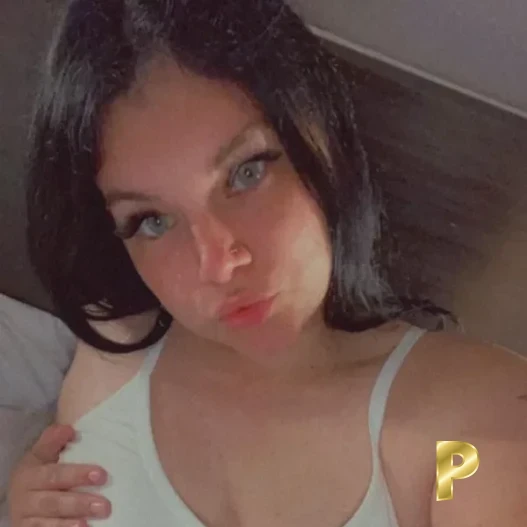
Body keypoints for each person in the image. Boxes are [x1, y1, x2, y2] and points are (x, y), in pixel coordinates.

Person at [7, 0, 527, 526]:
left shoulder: (462, 431)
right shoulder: (114, 350)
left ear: (320, 136)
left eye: (247, 172)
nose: (217, 265)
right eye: (151, 220)